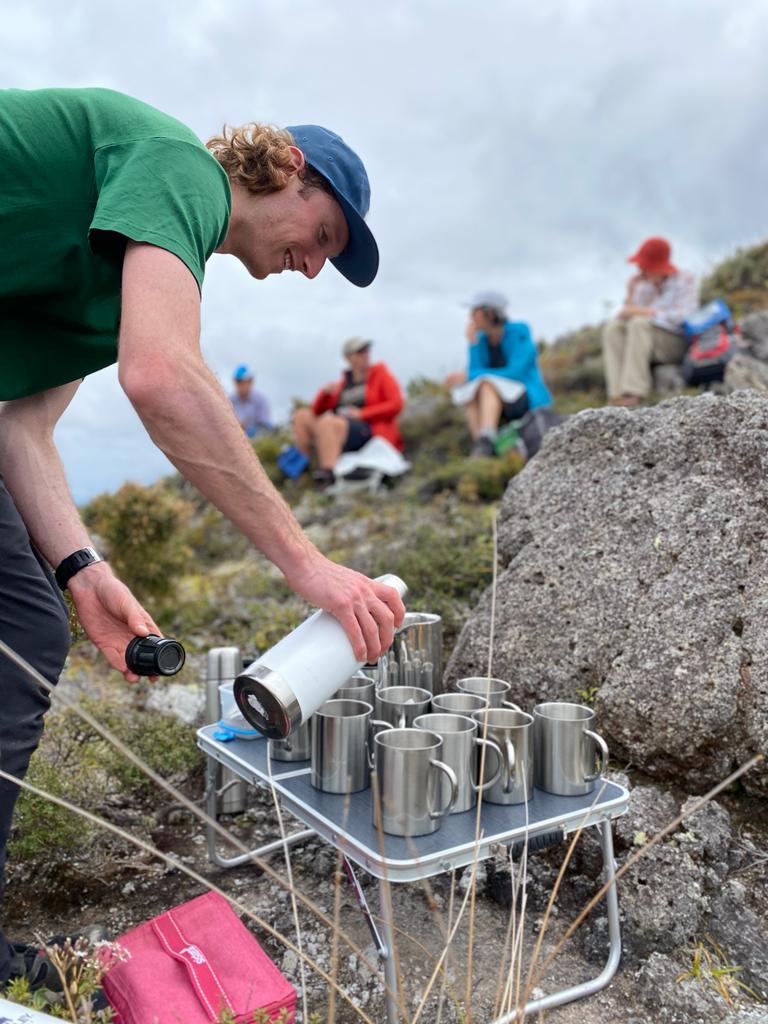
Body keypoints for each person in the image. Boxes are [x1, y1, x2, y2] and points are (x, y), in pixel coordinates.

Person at [0, 86, 405, 988]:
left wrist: (82, 570)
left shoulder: (128, 272)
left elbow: (19, 425)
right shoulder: (179, 164)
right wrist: (312, 569)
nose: (312, 268)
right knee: (16, 638)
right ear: (290, 171)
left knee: (25, 626)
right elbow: (164, 379)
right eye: (326, 238)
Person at [444, 290, 553, 457]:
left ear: (489, 313)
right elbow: (474, 373)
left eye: (475, 311)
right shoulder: (480, 339)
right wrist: (473, 344)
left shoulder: (520, 333)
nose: (471, 316)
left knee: (486, 383)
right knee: (471, 391)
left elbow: (515, 372)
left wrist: (471, 375)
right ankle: (481, 445)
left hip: (525, 397)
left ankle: (486, 440)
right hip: (500, 402)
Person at [292, 338, 404, 488]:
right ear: (348, 357)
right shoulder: (344, 383)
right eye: (359, 352)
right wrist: (324, 394)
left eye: (366, 351)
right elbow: (316, 411)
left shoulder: (381, 374)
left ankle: (328, 474)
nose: (364, 355)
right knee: (302, 416)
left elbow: (396, 404)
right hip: (341, 426)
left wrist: (362, 414)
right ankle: (304, 466)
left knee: (329, 423)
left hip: (368, 429)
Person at [601, 237, 699, 406]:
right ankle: (617, 394)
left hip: (676, 343)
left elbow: (684, 316)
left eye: (643, 265)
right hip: (647, 341)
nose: (639, 269)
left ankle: (634, 391)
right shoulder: (642, 286)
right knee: (613, 329)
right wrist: (630, 292)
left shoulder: (684, 279)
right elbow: (627, 315)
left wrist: (644, 312)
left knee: (639, 323)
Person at [229, 364, 272, 437]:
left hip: (256, 440)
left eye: (242, 381)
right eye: (238, 381)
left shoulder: (260, 400)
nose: (240, 384)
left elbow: (265, 426)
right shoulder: (230, 400)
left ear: (250, 381)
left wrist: (245, 427)